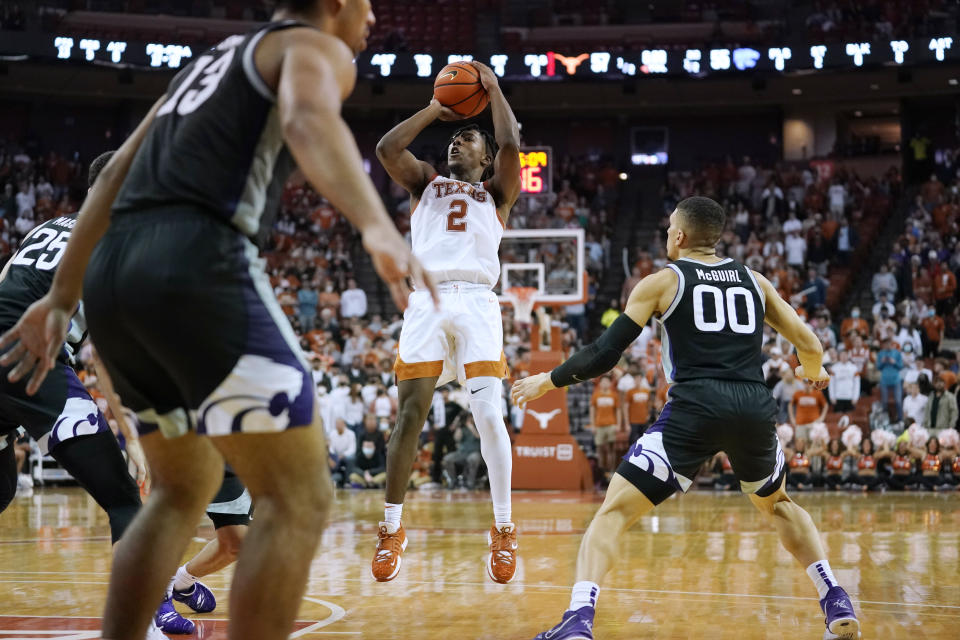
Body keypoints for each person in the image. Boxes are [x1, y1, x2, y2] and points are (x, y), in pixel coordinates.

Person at [0, 3, 439, 639]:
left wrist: (62, 298)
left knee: (180, 492)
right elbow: (308, 117)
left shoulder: (205, 64)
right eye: (367, 0)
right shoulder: (310, 47)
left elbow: (115, 173)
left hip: (118, 278)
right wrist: (376, 224)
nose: (373, 14)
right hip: (196, 260)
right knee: (299, 498)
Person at [512, 196, 860, 640]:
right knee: (777, 504)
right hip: (753, 405)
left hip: (695, 404)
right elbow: (809, 343)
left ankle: (579, 620)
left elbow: (604, 354)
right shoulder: (755, 281)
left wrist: (549, 380)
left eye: (668, 230)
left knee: (613, 513)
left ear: (679, 235)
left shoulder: (662, 282)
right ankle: (834, 597)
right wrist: (812, 372)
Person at [0, 153, 163, 640]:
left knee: (2, 489)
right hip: (30, 356)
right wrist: (131, 436)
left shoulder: (50, 226)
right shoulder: (116, 238)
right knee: (123, 500)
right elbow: (110, 354)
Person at [372, 60, 522, 584]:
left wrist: (494, 88)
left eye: (468, 139)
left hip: (479, 301)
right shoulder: (426, 185)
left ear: (484, 158)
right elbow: (387, 151)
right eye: (453, 139)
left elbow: (509, 147)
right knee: (409, 416)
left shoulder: (498, 193)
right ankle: (392, 529)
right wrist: (437, 107)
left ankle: (503, 530)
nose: (457, 143)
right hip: (428, 301)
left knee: (488, 416)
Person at [590, 375, 621, 476]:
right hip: (599, 425)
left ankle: (611, 472)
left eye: (607, 382)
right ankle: (601, 473)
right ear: (600, 383)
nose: (605, 384)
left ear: (610, 383)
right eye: (603, 382)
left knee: (611, 449)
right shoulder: (596, 395)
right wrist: (593, 425)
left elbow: (618, 410)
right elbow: (592, 410)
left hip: (611, 424)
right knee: (599, 449)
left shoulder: (614, 395)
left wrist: (618, 424)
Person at [442, 414, 483, 489]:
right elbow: (456, 438)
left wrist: (471, 426)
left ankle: (470, 482)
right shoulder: (462, 427)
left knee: (473, 459)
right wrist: (458, 426)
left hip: (474, 452)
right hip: (462, 453)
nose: (469, 419)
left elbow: (478, 436)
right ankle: (453, 481)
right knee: (447, 459)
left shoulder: (479, 425)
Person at [876, 338, 904, 421]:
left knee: (898, 401)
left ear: (892, 344)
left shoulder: (897, 353)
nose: (888, 345)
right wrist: (882, 362)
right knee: (884, 402)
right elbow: (878, 367)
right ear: (884, 345)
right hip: (884, 380)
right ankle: (885, 420)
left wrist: (894, 362)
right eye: (886, 344)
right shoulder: (881, 354)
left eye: (889, 343)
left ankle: (900, 419)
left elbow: (901, 366)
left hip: (896, 380)